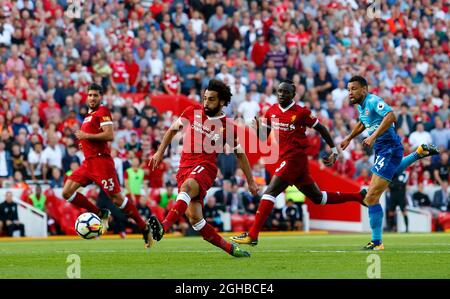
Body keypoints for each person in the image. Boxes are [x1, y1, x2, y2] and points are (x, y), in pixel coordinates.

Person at [231, 80, 367, 246]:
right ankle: (358, 196)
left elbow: (322, 129)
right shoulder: (271, 111)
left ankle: (252, 235)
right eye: (279, 92)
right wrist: (257, 128)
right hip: (293, 162)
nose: (281, 95)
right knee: (318, 198)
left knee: (269, 192)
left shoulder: (301, 112)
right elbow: (263, 137)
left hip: (295, 159)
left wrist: (334, 150)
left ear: (293, 95)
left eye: (285, 92)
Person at [147, 79, 259, 257]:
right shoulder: (192, 111)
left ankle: (163, 227)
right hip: (184, 167)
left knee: (187, 188)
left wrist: (251, 182)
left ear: (222, 101)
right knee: (195, 219)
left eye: (211, 99)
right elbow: (172, 130)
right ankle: (232, 249)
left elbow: (240, 154)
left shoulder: (227, 126)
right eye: (205, 98)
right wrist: (159, 153)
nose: (206, 103)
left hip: (205, 167)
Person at [340, 75, 440, 250]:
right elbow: (363, 123)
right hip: (383, 148)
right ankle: (418, 153)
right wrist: (349, 138)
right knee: (385, 181)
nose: (350, 92)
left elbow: (391, 116)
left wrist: (373, 136)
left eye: (354, 89)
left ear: (364, 89)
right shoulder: (362, 106)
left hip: (389, 147)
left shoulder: (372, 100)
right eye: (348, 89)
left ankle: (377, 242)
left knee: (371, 196)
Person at [61, 83, 152, 248]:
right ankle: (99, 213)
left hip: (102, 163)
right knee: (67, 192)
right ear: (86, 96)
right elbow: (93, 137)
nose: (92, 98)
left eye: (95, 95)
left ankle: (143, 227)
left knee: (117, 199)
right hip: (88, 163)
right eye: (90, 95)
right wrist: (85, 143)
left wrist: (86, 136)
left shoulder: (103, 111)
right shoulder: (89, 115)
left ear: (100, 97)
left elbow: (109, 135)